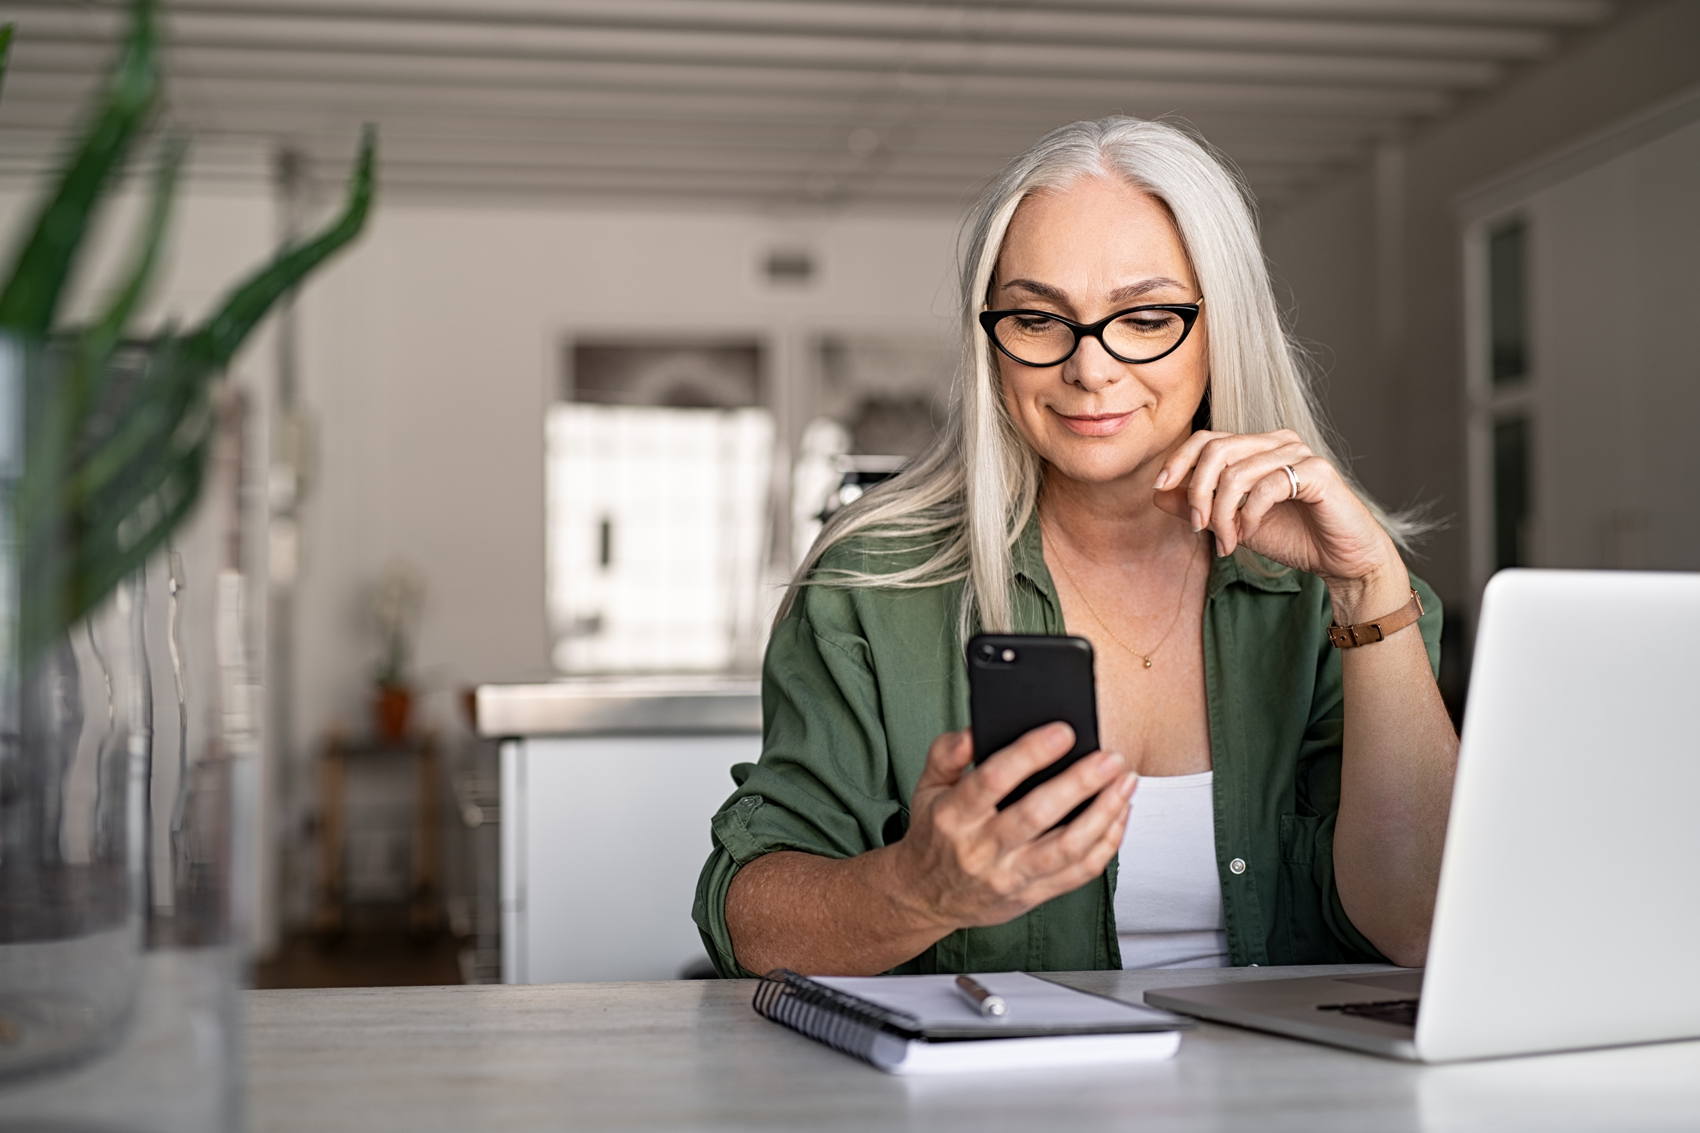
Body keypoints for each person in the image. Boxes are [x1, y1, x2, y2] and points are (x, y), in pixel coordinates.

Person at [692, 117, 1458, 978]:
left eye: (1144, 317)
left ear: (1221, 326)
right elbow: (749, 921)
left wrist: (1368, 591)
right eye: (1036, 318)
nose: (1088, 368)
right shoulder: (872, 585)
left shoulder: (1347, 593)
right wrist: (919, 888)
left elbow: (1422, 924)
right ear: (992, 343)